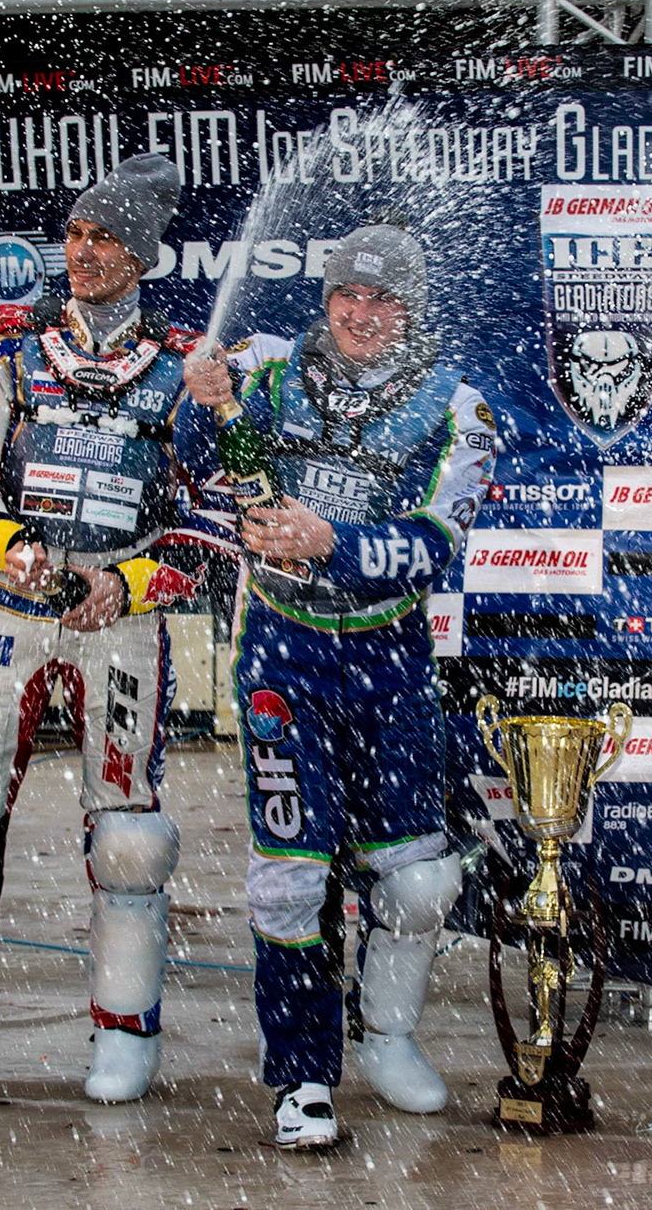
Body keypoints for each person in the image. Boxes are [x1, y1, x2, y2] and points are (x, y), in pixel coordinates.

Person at [0, 154, 229, 1109]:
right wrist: (14, 549)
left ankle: (125, 1037)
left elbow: (216, 517)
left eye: (107, 238)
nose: (84, 252)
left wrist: (127, 582)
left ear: (142, 256)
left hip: (119, 625)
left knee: (130, 842)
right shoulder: (3, 340)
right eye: (76, 233)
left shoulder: (189, 363)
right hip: (7, 615)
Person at [178, 222, 496, 1149]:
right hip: (283, 654)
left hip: (391, 663)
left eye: (382, 299)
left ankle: (387, 1037)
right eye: (346, 296)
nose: (360, 314)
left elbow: (437, 543)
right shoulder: (265, 366)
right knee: (290, 875)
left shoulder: (459, 407)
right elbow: (193, 455)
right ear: (324, 300)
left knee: (418, 880)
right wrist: (201, 400)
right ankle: (302, 1074)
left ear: (411, 310)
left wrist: (334, 544)